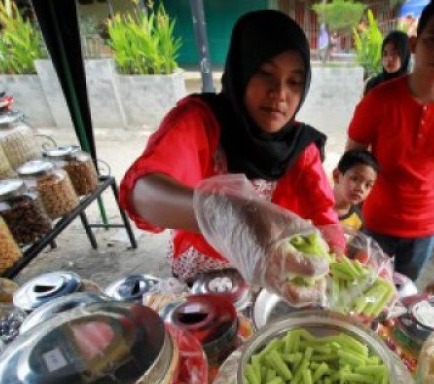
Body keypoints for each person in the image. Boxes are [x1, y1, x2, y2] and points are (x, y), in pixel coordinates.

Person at [119, 10, 344, 304]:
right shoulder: (199, 122)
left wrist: (343, 267)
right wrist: (226, 215)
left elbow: (325, 218)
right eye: (265, 73)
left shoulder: (300, 148)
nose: (280, 93)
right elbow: (141, 192)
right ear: (241, 69)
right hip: (199, 277)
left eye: (294, 82)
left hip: (269, 276)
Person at [345, 0, 434, 281]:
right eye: (432, 39)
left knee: (400, 297)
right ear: (414, 43)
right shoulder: (379, 98)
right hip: (375, 219)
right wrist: (356, 198)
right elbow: (353, 155)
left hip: (424, 228)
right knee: (357, 289)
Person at [332, 149, 379, 233]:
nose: (361, 188)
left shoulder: (357, 220)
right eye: (355, 179)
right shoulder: (313, 204)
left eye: (368, 185)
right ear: (336, 175)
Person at [363, 31, 410, 95]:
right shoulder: (373, 84)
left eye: (395, 53)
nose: (389, 59)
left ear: (404, 55)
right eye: (385, 54)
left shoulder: (412, 88)